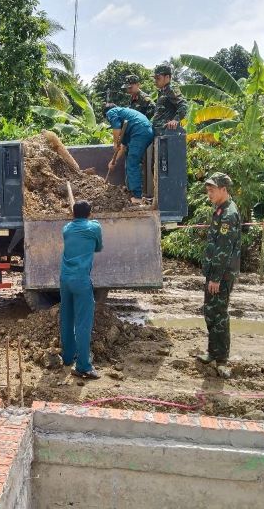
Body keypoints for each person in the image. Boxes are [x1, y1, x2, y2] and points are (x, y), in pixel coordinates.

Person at [198, 172, 241, 379]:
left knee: (219, 315)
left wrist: (215, 278)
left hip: (221, 275)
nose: (209, 194)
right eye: (208, 190)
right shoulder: (220, 210)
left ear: (224, 189)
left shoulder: (228, 215)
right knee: (210, 312)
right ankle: (213, 352)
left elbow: (224, 249)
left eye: (212, 190)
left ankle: (222, 358)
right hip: (215, 272)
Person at [59, 200, 104, 379]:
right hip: (81, 280)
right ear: (90, 213)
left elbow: (74, 228)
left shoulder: (66, 229)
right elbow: (98, 247)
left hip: (65, 279)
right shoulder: (94, 228)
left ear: (73, 213)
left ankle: (68, 357)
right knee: (83, 323)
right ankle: (83, 366)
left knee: (67, 318)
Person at [104, 103, 154, 204]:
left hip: (140, 132)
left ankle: (137, 197)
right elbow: (123, 147)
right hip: (144, 132)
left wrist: (115, 143)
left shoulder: (111, 111)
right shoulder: (126, 122)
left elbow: (116, 127)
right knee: (129, 159)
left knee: (132, 163)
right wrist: (113, 161)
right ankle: (131, 191)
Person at [151, 64, 188, 134]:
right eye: (155, 78)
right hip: (160, 131)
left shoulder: (171, 89)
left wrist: (175, 120)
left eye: (158, 78)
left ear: (167, 77)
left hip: (169, 132)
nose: (155, 81)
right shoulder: (162, 91)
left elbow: (184, 105)